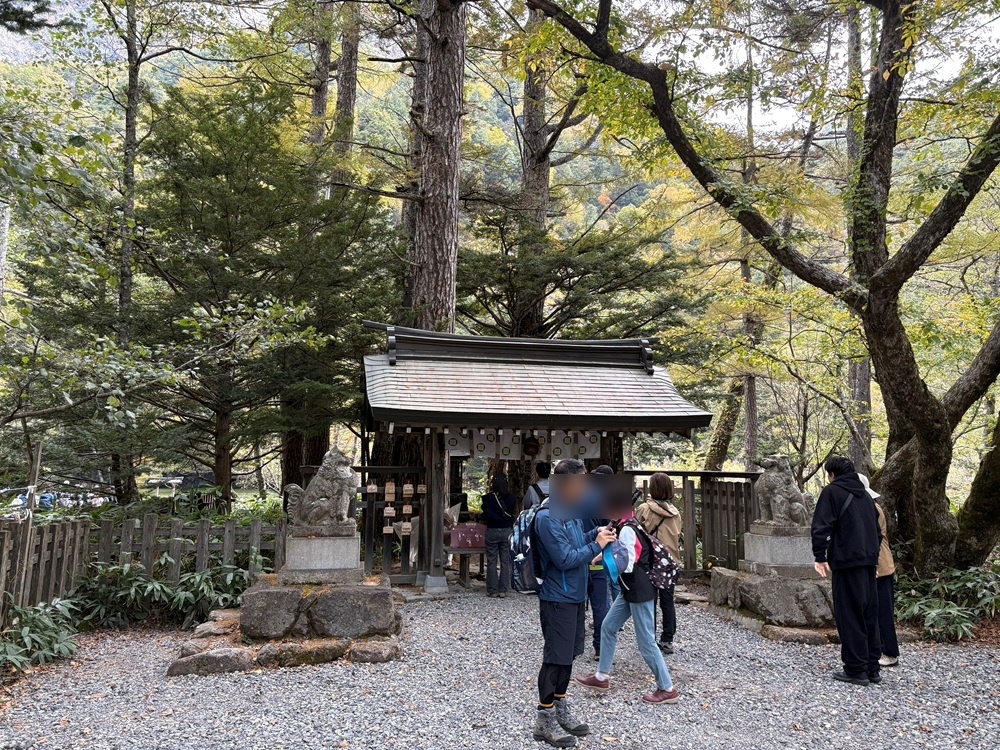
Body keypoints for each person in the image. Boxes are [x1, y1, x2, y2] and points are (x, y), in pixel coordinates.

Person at [532, 458, 616, 748]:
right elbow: (564, 558)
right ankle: (544, 720)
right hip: (558, 597)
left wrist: (595, 534)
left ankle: (560, 707)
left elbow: (577, 540)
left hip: (576, 595)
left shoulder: (569, 511)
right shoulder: (546, 516)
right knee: (555, 659)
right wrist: (597, 546)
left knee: (569, 657)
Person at [574, 502, 679, 705]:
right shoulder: (625, 526)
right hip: (629, 590)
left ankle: (667, 688)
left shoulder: (628, 530)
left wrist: (604, 559)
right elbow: (621, 555)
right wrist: (600, 554)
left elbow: (627, 564)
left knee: (646, 642)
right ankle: (601, 677)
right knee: (608, 626)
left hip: (639, 590)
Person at [811, 456, 882, 686]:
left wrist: (820, 556)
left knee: (849, 615)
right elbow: (877, 529)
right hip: (869, 563)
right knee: (868, 615)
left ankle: (855, 669)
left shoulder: (832, 492)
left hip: (846, 561)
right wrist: (873, 557)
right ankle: (872, 668)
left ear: (832, 474)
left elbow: (821, 525)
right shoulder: (865, 496)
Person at [635, 471, 682, 655]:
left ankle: (650, 639)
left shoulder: (644, 509)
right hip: (669, 560)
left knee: (649, 600)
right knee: (667, 601)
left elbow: (636, 533)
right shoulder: (675, 513)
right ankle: (668, 639)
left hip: (650, 561)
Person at [859, 474, 900, 668]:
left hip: (880, 564)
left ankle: (889, 651)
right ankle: (879, 648)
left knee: (883, 610)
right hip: (879, 562)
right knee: (876, 610)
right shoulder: (873, 507)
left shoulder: (873, 509)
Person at [586, 465, 614, 660]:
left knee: (577, 601)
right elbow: (615, 531)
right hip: (600, 556)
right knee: (600, 604)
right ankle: (599, 646)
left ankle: (575, 642)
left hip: (579, 553)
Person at [481, 474, 516, 598]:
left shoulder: (488, 498)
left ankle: (492, 590)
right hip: (507, 530)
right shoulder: (512, 497)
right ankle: (503, 590)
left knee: (492, 561)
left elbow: (484, 513)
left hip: (492, 530)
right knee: (505, 561)